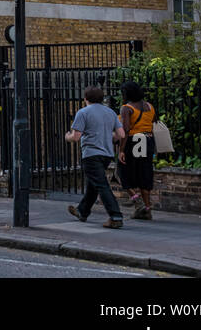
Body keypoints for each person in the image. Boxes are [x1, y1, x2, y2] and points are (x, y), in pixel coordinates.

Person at [65, 85, 125, 228]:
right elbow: (121, 135)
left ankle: (115, 216)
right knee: (94, 184)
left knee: (101, 185)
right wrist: (107, 135)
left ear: (85, 99)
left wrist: (68, 136)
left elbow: (76, 136)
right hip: (107, 154)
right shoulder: (110, 112)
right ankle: (82, 211)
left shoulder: (83, 112)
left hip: (91, 154)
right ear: (101, 98)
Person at [116, 80, 156, 219]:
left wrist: (121, 150)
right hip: (147, 140)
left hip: (133, 141)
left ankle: (136, 199)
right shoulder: (149, 106)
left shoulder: (127, 108)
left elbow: (126, 129)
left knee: (121, 172)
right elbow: (152, 123)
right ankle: (147, 209)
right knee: (144, 173)